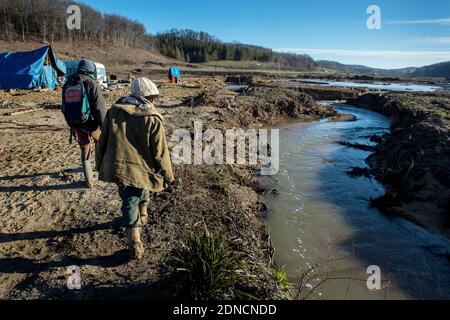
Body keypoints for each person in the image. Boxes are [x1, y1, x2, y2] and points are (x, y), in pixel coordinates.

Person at [95, 77, 175, 260]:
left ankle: (143, 214)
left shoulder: (113, 113)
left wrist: (99, 164)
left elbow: (102, 142)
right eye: (153, 97)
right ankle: (135, 242)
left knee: (135, 194)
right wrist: (169, 176)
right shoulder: (153, 119)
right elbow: (161, 153)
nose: (154, 100)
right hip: (141, 169)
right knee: (131, 200)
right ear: (148, 97)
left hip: (119, 167)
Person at [62, 60, 106, 188]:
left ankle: (88, 181)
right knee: (100, 144)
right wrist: (104, 125)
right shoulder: (91, 83)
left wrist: (71, 125)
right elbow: (99, 108)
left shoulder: (67, 84)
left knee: (84, 148)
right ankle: (100, 170)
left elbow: (64, 107)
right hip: (91, 122)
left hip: (75, 121)